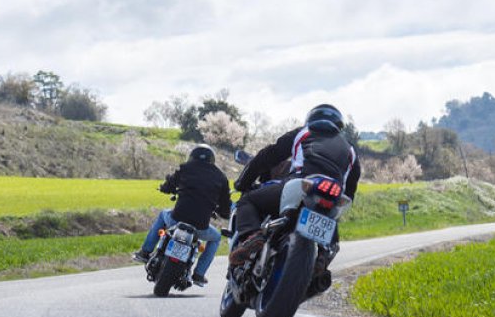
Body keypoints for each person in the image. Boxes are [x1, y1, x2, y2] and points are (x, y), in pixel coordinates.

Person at [228, 103, 362, 265]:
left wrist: (242, 183)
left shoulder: (303, 133)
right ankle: (322, 259)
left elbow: (267, 156)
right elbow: (351, 187)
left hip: (301, 185)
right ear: (339, 124)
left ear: (310, 119)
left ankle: (252, 235)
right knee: (331, 234)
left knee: (248, 200)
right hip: (334, 194)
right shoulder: (350, 149)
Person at [133, 144, 231, 286]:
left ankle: (145, 252)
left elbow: (170, 184)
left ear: (192, 156)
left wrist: (165, 188)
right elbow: (225, 205)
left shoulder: (186, 168)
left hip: (176, 219)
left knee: (162, 215)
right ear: (212, 159)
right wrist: (223, 213)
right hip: (201, 226)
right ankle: (199, 273)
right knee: (215, 238)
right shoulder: (221, 177)